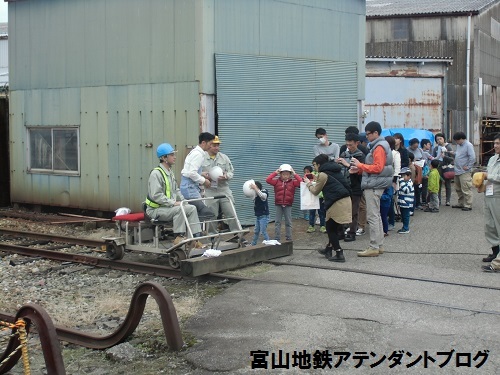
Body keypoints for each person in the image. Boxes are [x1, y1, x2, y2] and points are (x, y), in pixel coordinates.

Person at [350, 121, 393, 257]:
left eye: (368, 134)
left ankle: (374, 246)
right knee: (377, 216)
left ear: (376, 133)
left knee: (373, 216)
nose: (366, 137)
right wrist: (360, 169)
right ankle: (379, 245)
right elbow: (377, 167)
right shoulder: (381, 145)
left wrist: (360, 165)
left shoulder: (379, 147)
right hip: (376, 184)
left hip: (373, 185)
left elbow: (377, 167)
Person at [144, 143, 203, 240]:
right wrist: (174, 203)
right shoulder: (156, 174)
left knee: (191, 208)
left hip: (167, 208)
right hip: (155, 210)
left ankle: (196, 238)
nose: (174, 157)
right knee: (180, 209)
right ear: (164, 158)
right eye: (172, 155)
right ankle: (179, 237)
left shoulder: (170, 172)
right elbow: (157, 195)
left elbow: (177, 190)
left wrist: (184, 202)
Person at [304, 154, 352, 262]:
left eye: (315, 165)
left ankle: (339, 253)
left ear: (320, 164)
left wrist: (308, 184)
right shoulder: (334, 170)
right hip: (345, 200)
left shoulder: (323, 174)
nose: (314, 167)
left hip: (337, 202)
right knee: (333, 227)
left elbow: (316, 191)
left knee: (330, 229)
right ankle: (328, 249)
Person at [201, 135, 238, 233]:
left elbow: (231, 172)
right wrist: (204, 176)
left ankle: (237, 234)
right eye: (214, 145)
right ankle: (212, 236)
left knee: (231, 212)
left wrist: (226, 176)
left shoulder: (224, 158)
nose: (217, 147)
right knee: (211, 214)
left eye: (218, 145)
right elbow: (195, 173)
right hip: (210, 190)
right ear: (209, 145)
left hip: (223, 189)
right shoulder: (202, 158)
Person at [180, 132, 216, 221]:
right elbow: (192, 173)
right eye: (210, 144)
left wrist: (201, 173)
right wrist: (204, 181)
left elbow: (189, 171)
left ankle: (195, 233)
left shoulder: (195, 152)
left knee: (194, 212)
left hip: (187, 185)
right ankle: (196, 234)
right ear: (203, 143)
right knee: (199, 212)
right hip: (190, 187)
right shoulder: (198, 155)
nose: (211, 146)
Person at [337, 133, 365, 242]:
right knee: (343, 209)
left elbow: (360, 171)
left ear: (357, 143)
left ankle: (352, 232)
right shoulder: (344, 154)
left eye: (351, 145)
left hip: (356, 186)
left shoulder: (360, 155)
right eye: (347, 145)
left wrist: (346, 164)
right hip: (344, 186)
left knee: (354, 210)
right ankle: (342, 230)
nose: (348, 147)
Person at [266, 164, 302, 241]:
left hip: (288, 204)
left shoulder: (293, 182)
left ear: (290, 175)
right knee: (277, 222)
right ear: (280, 174)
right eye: (283, 174)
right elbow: (268, 180)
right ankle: (277, 238)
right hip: (278, 204)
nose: (285, 176)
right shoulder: (276, 182)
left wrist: (294, 173)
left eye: (287, 174)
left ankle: (288, 237)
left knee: (288, 222)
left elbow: (301, 182)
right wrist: (275, 172)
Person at [480, 134, 500, 271]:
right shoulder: (493, 159)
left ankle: (497, 263)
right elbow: (488, 176)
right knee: (490, 226)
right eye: (495, 143)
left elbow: (494, 176)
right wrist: (482, 184)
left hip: (498, 196)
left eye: (498, 143)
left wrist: (489, 176)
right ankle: (495, 252)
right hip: (489, 195)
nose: (495, 146)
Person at [451, 131, 476, 211]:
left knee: (466, 188)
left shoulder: (468, 145)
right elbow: (459, 154)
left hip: (464, 171)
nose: (456, 142)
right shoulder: (459, 145)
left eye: (457, 140)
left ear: (462, 139)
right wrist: (453, 153)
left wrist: (468, 166)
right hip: (457, 170)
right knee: (458, 188)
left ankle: (468, 205)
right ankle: (461, 203)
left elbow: (472, 157)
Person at [432, 133, 454, 206]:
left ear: (444, 139)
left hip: (447, 168)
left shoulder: (448, 147)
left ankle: (448, 200)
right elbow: (433, 158)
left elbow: (452, 159)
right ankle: (439, 200)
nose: (439, 141)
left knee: (447, 184)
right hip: (438, 168)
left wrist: (445, 156)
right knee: (438, 184)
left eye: (440, 139)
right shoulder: (435, 148)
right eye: (437, 139)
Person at [304, 166, 326, 233]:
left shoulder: (323, 174)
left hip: (320, 197)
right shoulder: (311, 174)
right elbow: (307, 182)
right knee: (312, 212)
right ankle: (311, 226)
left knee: (321, 212)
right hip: (313, 197)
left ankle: (323, 226)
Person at [386, 136, 401, 231]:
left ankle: (391, 221)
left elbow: (397, 168)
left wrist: (394, 180)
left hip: (392, 181)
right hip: (382, 180)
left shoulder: (395, 154)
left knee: (390, 201)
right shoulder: (382, 152)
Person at [249, 181, 270, 246]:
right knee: (256, 231)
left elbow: (263, 197)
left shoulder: (264, 192)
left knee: (263, 231)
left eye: (254, 188)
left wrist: (255, 188)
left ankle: (268, 243)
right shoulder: (255, 196)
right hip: (258, 216)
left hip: (264, 216)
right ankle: (253, 244)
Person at [397, 167, 414, 234]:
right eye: (401, 176)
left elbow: (406, 190)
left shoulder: (409, 183)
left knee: (406, 216)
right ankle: (404, 227)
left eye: (404, 176)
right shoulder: (404, 182)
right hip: (402, 202)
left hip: (406, 203)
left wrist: (401, 182)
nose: (402, 177)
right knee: (403, 216)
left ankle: (406, 228)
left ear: (409, 176)